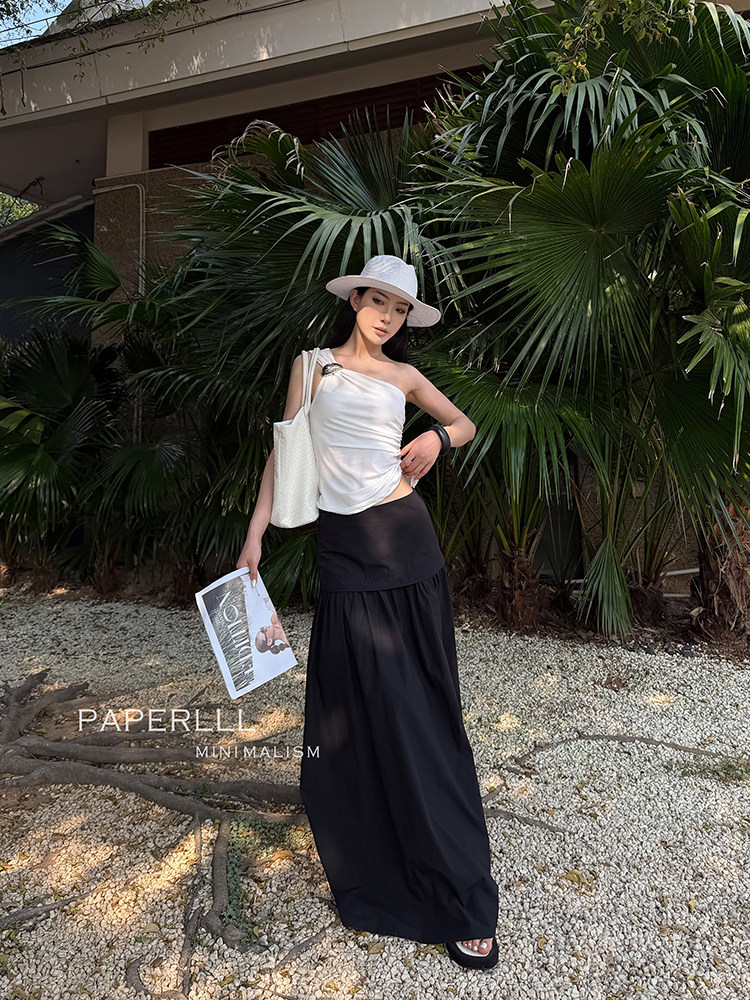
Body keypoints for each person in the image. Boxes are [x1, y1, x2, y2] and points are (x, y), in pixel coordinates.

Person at [236, 254, 499, 970]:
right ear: (354, 299)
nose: (388, 317)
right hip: (345, 555)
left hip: (407, 546)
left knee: (423, 713)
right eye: (378, 301)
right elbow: (285, 453)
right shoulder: (312, 366)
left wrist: (435, 438)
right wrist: (255, 535)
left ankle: (459, 889)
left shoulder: (405, 377)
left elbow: (465, 423)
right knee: (353, 713)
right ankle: (382, 859)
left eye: (400, 309)